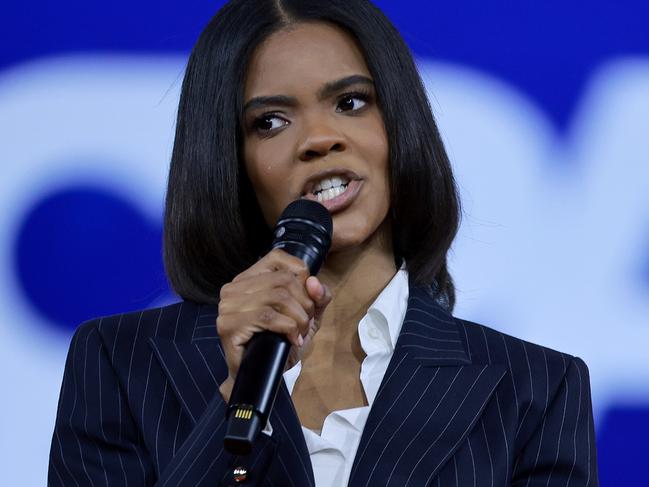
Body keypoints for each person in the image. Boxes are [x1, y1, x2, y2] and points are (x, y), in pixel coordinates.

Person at [48, 0, 599, 486]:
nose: (319, 138)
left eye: (351, 102)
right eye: (270, 121)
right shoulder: (121, 365)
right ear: (229, 162)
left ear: (400, 124)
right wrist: (236, 398)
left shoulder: (534, 390)